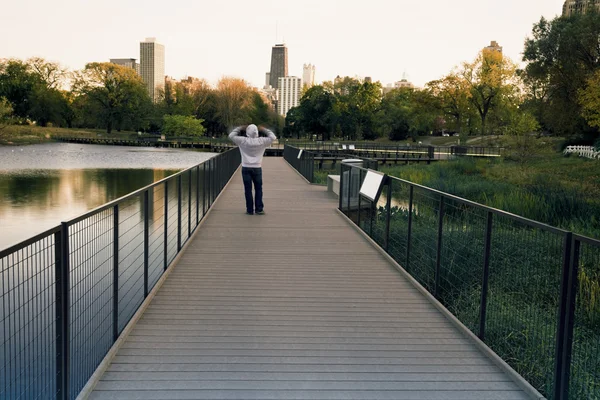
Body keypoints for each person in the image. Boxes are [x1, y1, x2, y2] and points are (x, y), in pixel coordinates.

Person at [228, 124, 277, 215]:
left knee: (248, 189)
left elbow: (231, 135)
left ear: (247, 132)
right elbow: (273, 137)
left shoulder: (243, 141)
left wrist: (240, 128)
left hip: (246, 167)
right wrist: (265, 129)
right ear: (257, 132)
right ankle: (259, 209)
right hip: (257, 167)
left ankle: (249, 209)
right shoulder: (262, 141)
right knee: (258, 189)